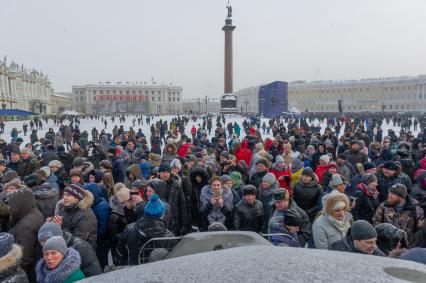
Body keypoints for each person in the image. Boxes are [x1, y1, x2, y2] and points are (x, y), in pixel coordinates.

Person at [116, 194, 174, 265]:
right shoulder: (168, 236)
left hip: (134, 268)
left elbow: (120, 251)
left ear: (146, 210)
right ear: (161, 215)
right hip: (158, 271)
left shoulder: (129, 229)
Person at [37, 222, 102, 277]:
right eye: (42, 241)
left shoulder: (81, 247)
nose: (45, 243)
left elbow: (94, 273)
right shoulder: (46, 251)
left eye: (48, 239)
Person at [7, 189, 44, 282]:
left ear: (20, 203)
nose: (9, 207)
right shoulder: (31, 212)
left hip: (27, 272)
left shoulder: (25, 225)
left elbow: (24, 257)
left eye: (11, 204)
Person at [54, 184, 98, 250]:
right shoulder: (66, 208)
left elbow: (78, 241)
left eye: (68, 195)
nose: (64, 198)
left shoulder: (86, 215)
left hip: (83, 253)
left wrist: (60, 228)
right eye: (64, 194)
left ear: (77, 198)